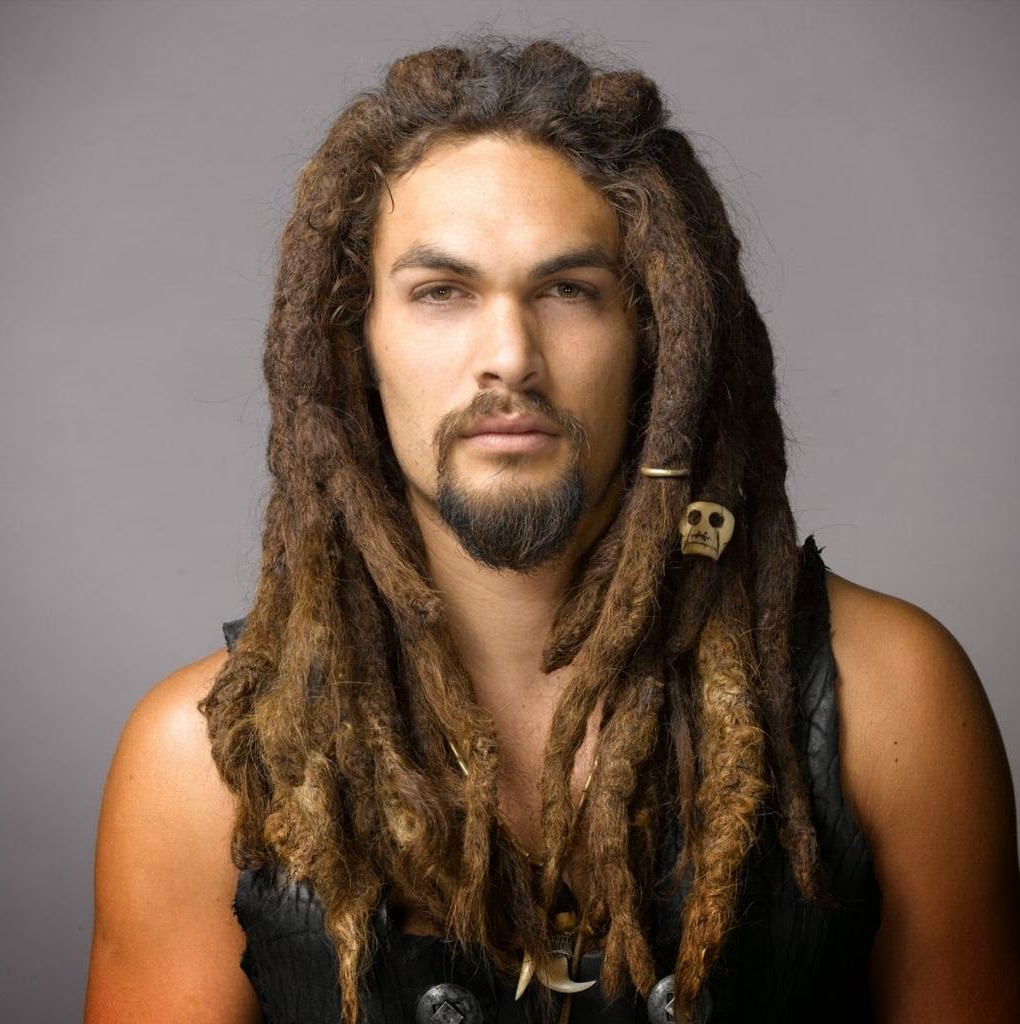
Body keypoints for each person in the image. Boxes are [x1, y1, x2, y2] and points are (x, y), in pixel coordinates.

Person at [84, 37, 1020, 1024]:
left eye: (569, 290)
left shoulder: (890, 698)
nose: (509, 356)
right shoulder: (197, 764)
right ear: (354, 341)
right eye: (441, 292)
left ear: (656, 336)